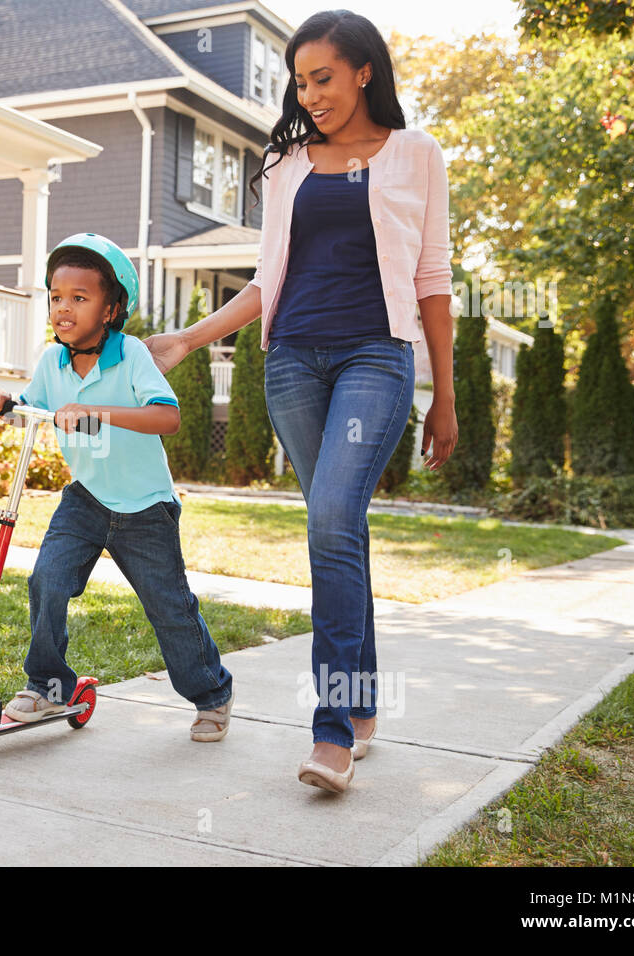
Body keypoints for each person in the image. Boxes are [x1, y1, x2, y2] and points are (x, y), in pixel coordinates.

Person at [145, 11, 458, 791]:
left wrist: (446, 396)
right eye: (300, 82)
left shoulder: (417, 154)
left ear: (363, 72)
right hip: (290, 361)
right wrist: (187, 339)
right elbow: (265, 278)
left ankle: (331, 729)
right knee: (338, 529)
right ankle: (366, 705)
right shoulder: (286, 159)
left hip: (374, 357)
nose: (309, 95)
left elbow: (433, 281)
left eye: (323, 78)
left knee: (329, 521)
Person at [0, 233, 235, 741]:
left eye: (80, 298)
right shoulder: (51, 362)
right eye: (56, 297)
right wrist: (4, 402)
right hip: (86, 499)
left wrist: (98, 413)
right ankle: (49, 684)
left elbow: (168, 417)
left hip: (146, 508)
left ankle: (211, 694)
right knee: (47, 581)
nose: (64, 309)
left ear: (111, 307)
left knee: (169, 607)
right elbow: (34, 406)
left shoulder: (133, 354)